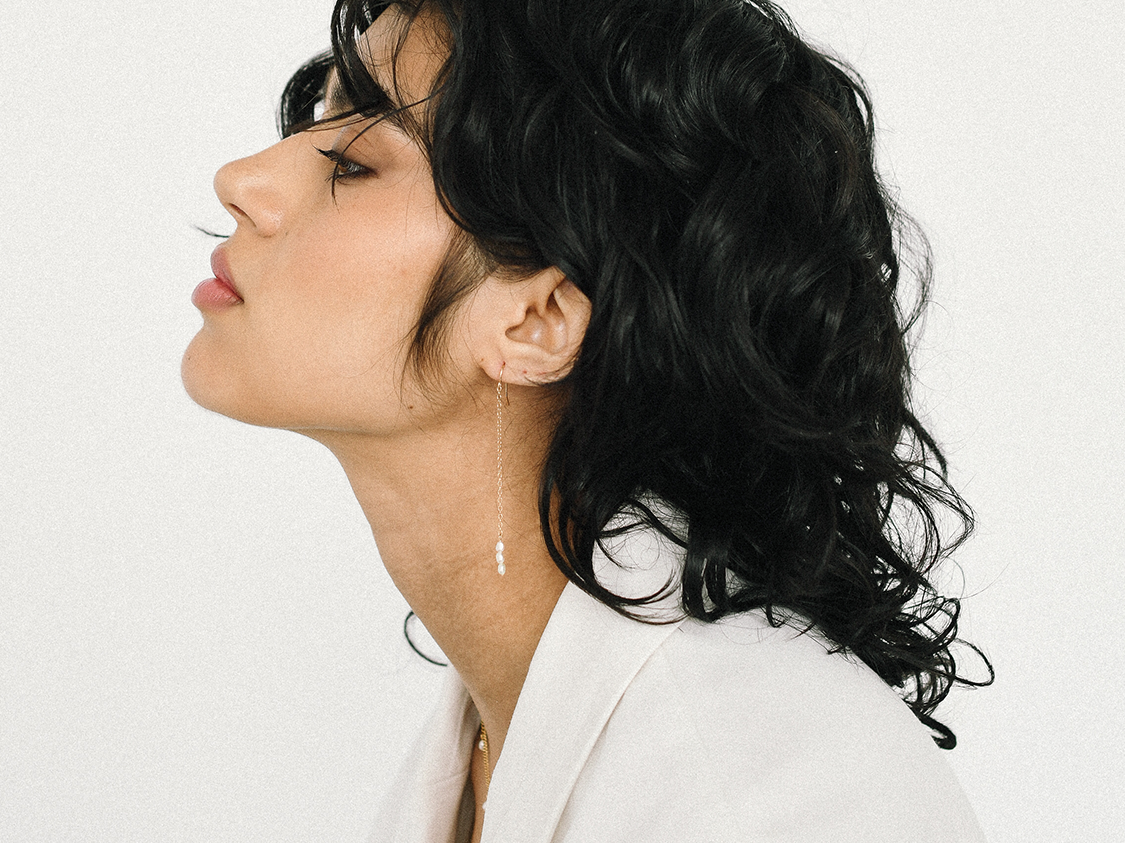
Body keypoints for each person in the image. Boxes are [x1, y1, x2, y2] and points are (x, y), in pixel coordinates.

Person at [182, 1, 992, 840]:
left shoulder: (760, 794)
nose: (241, 179)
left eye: (354, 162)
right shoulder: (496, 730)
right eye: (317, 118)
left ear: (538, 322)